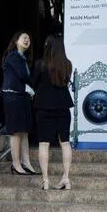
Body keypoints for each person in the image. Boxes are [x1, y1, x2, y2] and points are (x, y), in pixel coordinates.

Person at [32, 34, 76, 190]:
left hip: (44, 106)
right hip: (63, 106)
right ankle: (66, 178)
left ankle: (45, 180)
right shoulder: (67, 64)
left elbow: (33, 83)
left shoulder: (40, 64)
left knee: (44, 143)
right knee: (65, 142)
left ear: (48, 47)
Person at [0, 31, 37, 174]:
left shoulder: (22, 58)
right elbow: (22, 75)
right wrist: (30, 85)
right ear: (16, 41)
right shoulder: (13, 56)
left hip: (22, 96)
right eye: (24, 38)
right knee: (16, 131)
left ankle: (26, 163)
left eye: (29, 38)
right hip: (13, 96)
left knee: (24, 131)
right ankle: (16, 164)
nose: (27, 40)